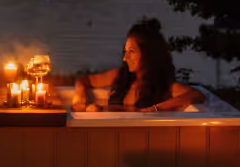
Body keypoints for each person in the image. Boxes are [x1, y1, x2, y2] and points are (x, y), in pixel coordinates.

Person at [72, 17, 205, 112]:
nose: (125, 58)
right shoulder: (119, 76)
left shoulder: (163, 86)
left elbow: (197, 95)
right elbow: (84, 80)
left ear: (148, 54)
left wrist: (156, 109)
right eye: (125, 51)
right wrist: (80, 93)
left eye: (132, 51)